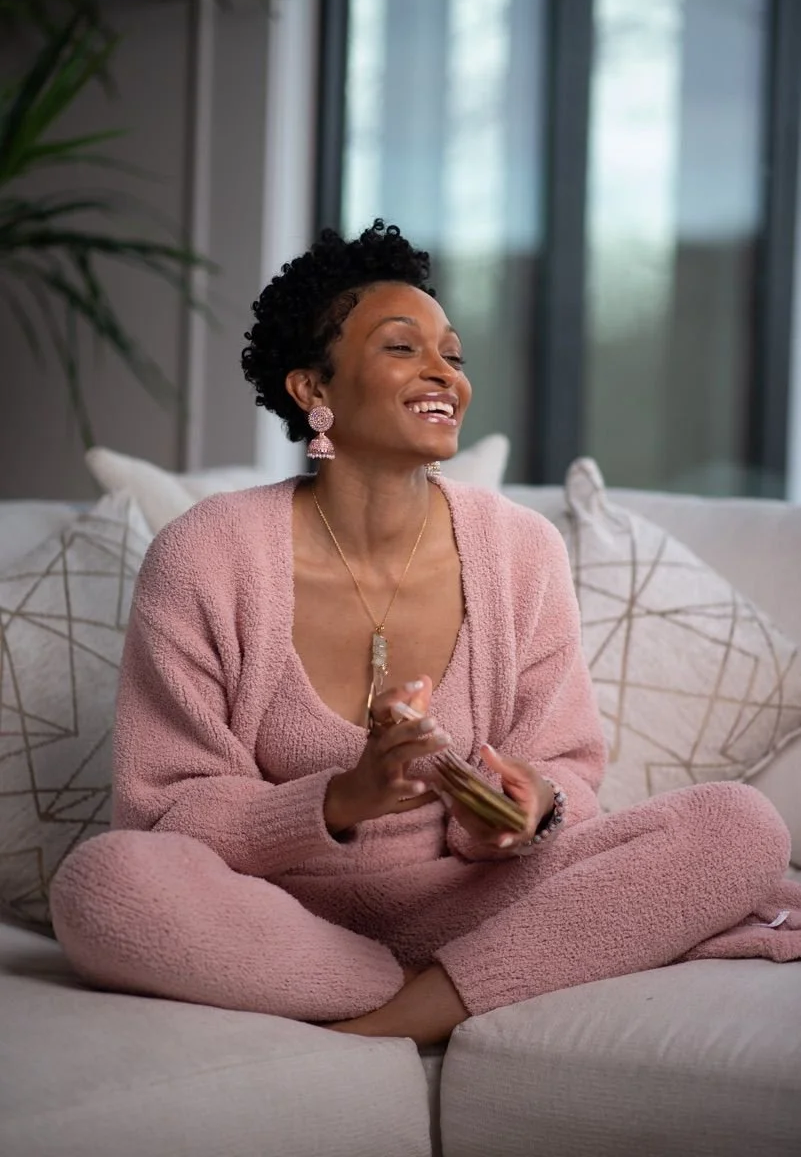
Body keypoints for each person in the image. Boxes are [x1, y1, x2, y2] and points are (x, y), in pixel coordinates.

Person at [50, 221, 800, 1045]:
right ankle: (429, 987)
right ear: (311, 389)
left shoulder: (519, 549)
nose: (444, 371)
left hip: (485, 897)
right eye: (403, 348)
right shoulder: (205, 554)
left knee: (741, 825)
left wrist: (525, 807)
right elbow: (166, 815)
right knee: (103, 883)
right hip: (280, 912)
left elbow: (566, 772)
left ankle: (396, 1020)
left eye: (452, 353)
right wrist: (342, 799)